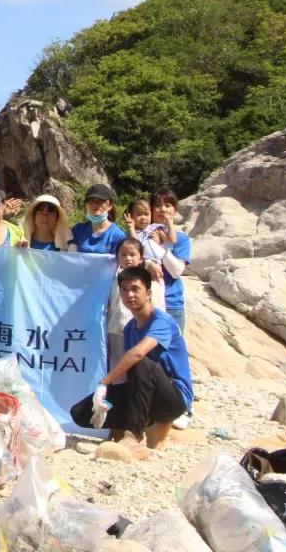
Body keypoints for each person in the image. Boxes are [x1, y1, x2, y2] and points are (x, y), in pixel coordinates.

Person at [71, 266, 192, 458]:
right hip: (146, 395)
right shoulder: (129, 329)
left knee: (141, 362)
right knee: (81, 412)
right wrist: (106, 399)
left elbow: (138, 355)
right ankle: (122, 432)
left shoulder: (162, 321)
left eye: (135, 289)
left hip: (173, 398)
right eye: (125, 290)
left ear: (149, 293)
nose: (130, 294)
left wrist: (105, 382)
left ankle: (134, 437)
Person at [106, 238, 166, 385]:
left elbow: (159, 309)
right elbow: (107, 309)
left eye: (132, 254)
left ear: (141, 258)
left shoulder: (150, 282)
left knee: (141, 371)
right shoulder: (112, 283)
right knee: (119, 373)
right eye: (123, 255)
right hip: (117, 332)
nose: (128, 258)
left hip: (143, 334)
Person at [149, 188, 191, 332]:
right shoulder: (141, 235)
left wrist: (160, 245)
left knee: (172, 351)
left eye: (168, 205)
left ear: (175, 209)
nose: (163, 209)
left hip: (172, 303)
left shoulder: (181, 239)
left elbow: (176, 271)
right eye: (158, 205)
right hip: (146, 302)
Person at [68, 183, 126, 254]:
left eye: (100, 201)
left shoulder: (118, 235)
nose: (94, 204)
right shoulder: (78, 230)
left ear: (110, 205)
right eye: (90, 201)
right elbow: (71, 257)